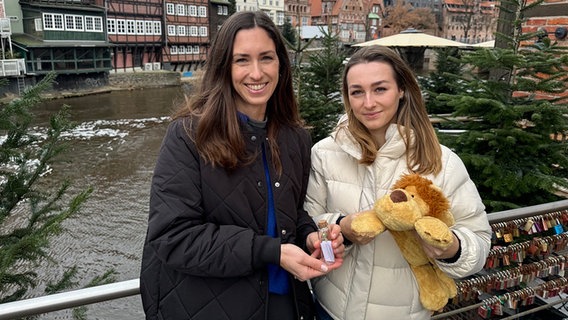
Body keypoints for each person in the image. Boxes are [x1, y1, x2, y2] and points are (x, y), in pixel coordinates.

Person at [140, 11, 344, 320]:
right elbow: (173, 236)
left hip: (284, 303)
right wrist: (271, 252)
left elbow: (289, 212)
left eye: (266, 58)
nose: (257, 73)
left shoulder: (294, 137)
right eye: (242, 60)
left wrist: (310, 236)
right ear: (224, 67)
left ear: (281, 65)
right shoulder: (188, 136)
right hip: (211, 306)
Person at [304, 46, 492, 320]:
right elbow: (308, 223)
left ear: (401, 90)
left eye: (380, 89)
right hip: (330, 309)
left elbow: (480, 240)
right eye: (357, 92)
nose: (368, 103)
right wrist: (341, 229)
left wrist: (452, 248)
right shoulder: (324, 153)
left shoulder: (442, 162)